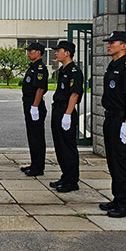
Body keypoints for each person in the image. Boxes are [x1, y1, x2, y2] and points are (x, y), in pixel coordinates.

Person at [100, 31, 126, 218]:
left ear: (123, 45)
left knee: (123, 163)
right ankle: (117, 198)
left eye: (112, 42)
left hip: (122, 119)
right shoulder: (113, 66)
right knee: (113, 162)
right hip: (111, 118)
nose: (108, 45)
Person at [49, 40, 84, 193]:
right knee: (59, 146)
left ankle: (72, 181)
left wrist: (68, 114)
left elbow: (74, 94)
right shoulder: (63, 69)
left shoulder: (74, 71)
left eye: (59, 50)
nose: (56, 53)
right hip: (58, 110)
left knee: (68, 147)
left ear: (67, 52)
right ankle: (65, 176)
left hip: (66, 111)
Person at [20, 42, 49, 177]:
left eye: (31, 51)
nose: (28, 53)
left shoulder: (40, 68)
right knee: (32, 136)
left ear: (38, 52)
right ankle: (34, 163)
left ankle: (38, 167)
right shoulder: (33, 67)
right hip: (29, 104)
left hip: (34, 105)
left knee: (37, 136)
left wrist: (35, 106)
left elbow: (40, 89)